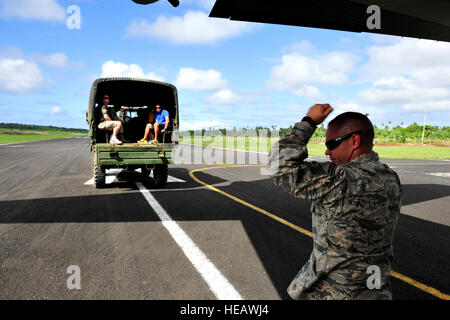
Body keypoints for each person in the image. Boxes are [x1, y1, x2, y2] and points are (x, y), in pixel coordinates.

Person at [268, 104, 402, 300]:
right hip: (375, 289)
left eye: (332, 144)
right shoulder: (391, 178)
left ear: (355, 140)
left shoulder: (341, 180)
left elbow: (279, 167)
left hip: (336, 292)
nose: (327, 152)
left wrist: (309, 122)